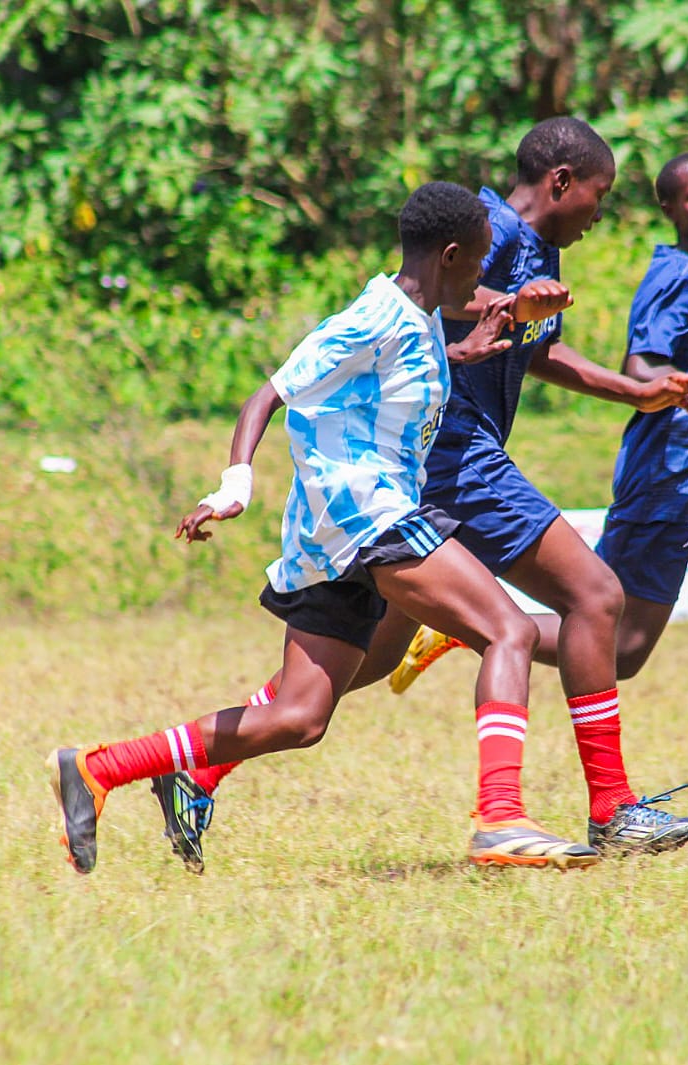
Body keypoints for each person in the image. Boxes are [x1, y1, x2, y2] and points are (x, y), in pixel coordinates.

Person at [156, 118, 688, 870]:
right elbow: (443, 301)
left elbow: (535, 350)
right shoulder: (498, 232)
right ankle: (608, 808)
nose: (599, 212)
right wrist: (510, 300)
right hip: (457, 458)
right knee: (595, 596)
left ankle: (198, 765)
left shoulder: (531, 245)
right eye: (598, 193)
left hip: (424, 470)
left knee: (362, 661)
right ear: (560, 183)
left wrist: (634, 391)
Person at [48, 182, 601, 875]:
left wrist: (488, 335)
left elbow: (412, 366)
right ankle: (500, 816)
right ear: (451, 255)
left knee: (300, 717)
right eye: (480, 262)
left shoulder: (423, 314)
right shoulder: (372, 317)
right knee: (508, 630)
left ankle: (99, 767)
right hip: (368, 514)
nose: (485, 281)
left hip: (337, 535)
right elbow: (268, 395)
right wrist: (235, 485)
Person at [396, 152, 688, 816]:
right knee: (617, 641)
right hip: (662, 478)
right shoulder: (662, 272)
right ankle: (476, 652)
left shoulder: (549, 252)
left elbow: (541, 351)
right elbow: (642, 364)